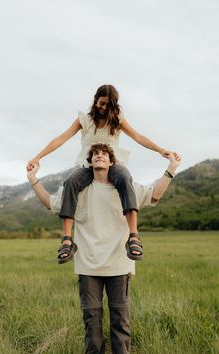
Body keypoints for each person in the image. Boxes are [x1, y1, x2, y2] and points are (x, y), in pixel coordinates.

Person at [27, 143, 181, 354]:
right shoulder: (78, 191)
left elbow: (155, 194)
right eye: (95, 154)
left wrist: (171, 168)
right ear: (89, 162)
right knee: (92, 325)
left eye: (104, 154)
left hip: (119, 265)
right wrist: (33, 179)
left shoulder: (126, 187)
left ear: (111, 162)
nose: (99, 156)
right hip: (88, 267)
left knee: (121, 324)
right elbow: (49, 202)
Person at [26, 84, 172, 263]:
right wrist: (38, 157)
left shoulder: (117, 119)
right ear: (95, 100)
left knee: (125, 177)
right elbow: (61, 139)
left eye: (107, 105)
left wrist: (160, 149)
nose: (103, 107)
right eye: (101, 103)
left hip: (113, 163)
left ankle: (133, 236)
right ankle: (66, 240)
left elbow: (138, 137)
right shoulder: (84, 120)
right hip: (88, 164)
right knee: (71, 182)